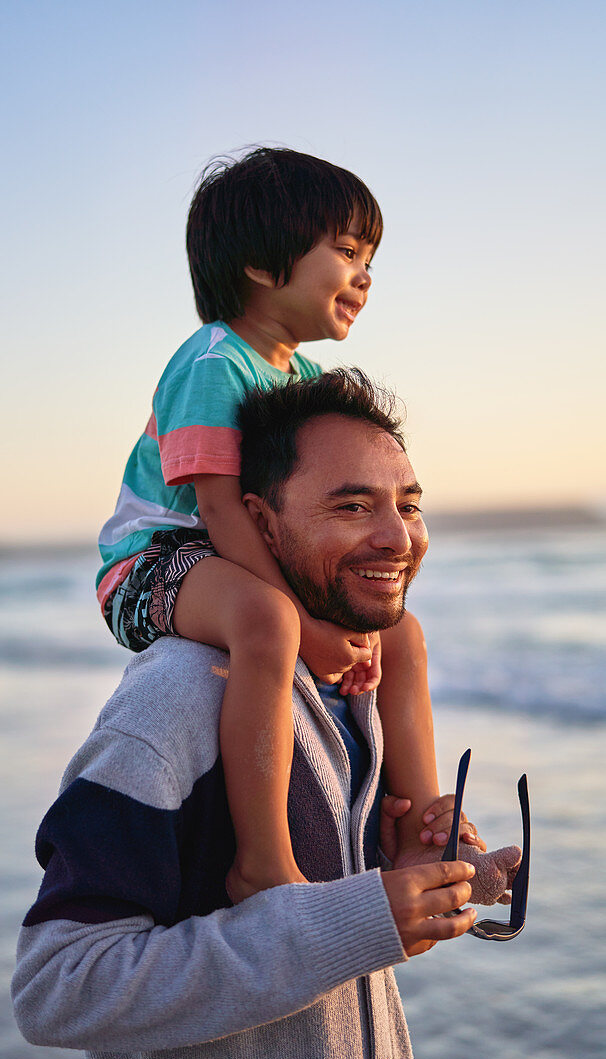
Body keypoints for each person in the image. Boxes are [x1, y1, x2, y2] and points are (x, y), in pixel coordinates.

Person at [13, 370, 519, 1059]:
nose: (397, 537)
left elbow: (325, 939)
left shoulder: (357, 687)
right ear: (259, 520)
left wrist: (407, 877)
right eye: (351, 505)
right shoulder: (179, 700)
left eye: (409, 505)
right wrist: (352, 921)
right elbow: (58, 985)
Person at [96, 148, 457, 904]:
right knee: (267, 621)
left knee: (403, 633)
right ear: (264, 264)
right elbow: (223, 509)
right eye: (348, 252)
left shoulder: (297, 381)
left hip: (232, 555)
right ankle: (263, 857)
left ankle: (425, 824)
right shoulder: (213, 362)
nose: (365, 275)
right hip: (156, 561)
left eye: (370, 258)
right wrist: (308, 626)